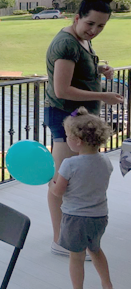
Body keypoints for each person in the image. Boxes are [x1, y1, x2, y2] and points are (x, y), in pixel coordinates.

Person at [44, 0, 123, 257]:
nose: (94, 30)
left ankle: (74, 235)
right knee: (61, 183)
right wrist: (104, 95)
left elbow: (79, 68)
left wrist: (98, 68)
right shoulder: (65, 44)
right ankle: (60, 241)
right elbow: (62, 90)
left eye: (101, 26)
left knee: (77, 179)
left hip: (80, 119)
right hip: (67, 118)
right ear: (77, 17)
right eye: (90, 23)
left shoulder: (82, 41)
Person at [50, 107, 114, 289]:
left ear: (77, 141)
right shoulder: (106, 161)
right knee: (95, 250)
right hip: (100, 217)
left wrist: (50, 182)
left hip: (75, 219)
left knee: (76, 257)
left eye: (67, 136)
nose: (66, 139)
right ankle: (107, 284)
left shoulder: (69, 164)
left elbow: (58, 192)